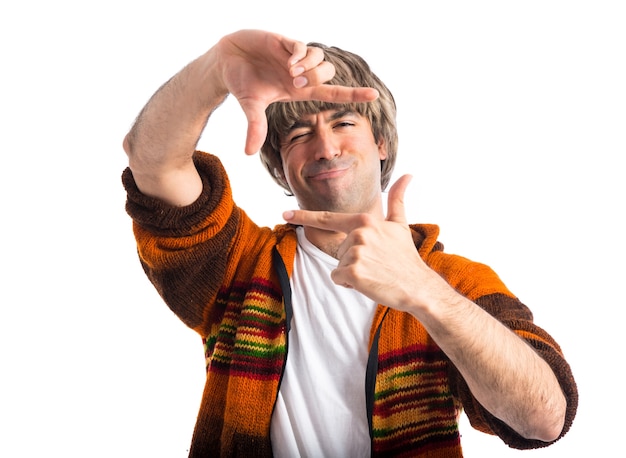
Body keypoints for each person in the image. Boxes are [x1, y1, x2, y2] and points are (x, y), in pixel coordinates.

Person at [121, 29, 577, 457]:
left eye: (343, 123)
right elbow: (153, 165)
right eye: (299, 134)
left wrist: (425, 292)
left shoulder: (453, 282)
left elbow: (544, 418)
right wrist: (214, 69)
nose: (325, 147)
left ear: (381, 142)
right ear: (281, 167)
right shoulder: (241, 263)